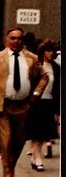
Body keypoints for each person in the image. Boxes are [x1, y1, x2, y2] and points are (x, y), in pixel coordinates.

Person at [0, 27, 48, 177]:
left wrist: (36, 92)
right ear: (7, 39)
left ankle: (11, 164)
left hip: (23, 106)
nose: (16, 41)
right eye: (13, 38)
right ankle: (8, 173)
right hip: (2, 105)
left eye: (19, 38)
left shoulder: (31, 58)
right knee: (6, 140)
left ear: (23, 40)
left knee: (19, 141)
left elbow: (44, 76)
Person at [26, 40, 60, 168]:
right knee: (36, 131)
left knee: (44, 132)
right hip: (36, 102)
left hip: (49, 102)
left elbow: (58, 88)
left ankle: (35, 157)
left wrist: (58, 110)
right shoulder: (36, 65)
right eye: (48, 50)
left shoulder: (56, 68)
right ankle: (37, 158)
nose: (51, 53)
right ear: (42, 52)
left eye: (52, 51)